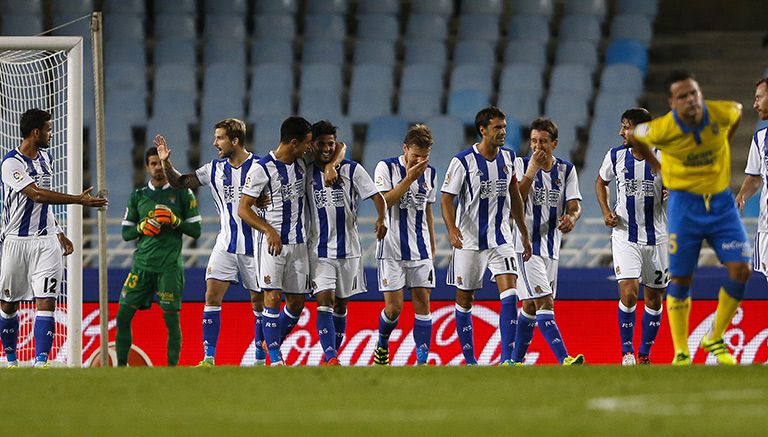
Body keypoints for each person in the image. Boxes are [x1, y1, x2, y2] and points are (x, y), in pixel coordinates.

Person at [629, 71, 751, 365]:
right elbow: (635, 136)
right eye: (682, 96)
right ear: (672, 103)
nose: (691, 100)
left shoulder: (720, 112)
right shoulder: (662, 128)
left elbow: (738, 112)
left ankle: (714, 337)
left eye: (694, 93)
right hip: (684, 204)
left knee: (741, 269)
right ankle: (681, 351)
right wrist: (658, 166)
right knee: (681, 277)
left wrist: (722, 145)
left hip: (720, 203)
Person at [0, 108, 107, 367]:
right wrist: (78, 201)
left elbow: (43, 204)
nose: (51, 133)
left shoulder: (46, 158)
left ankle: (41, 363)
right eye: (48, 129)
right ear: (35, 132)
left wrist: (58, 232)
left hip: (47, 241)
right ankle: (12, 361)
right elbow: (36, 195)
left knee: (46, 300)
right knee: (7, 305)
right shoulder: (10, 163)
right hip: (16, 241)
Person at [156, 118, 266, 366]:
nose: (214, 143)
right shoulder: (213, 169)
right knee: (211, 296)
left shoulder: (261, 166)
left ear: (234, 141)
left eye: (219, 138)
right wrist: (166, 162)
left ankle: (260, 358)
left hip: (255, 247)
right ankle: (209, 357)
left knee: (258, 302)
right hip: (226, 243)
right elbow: (180, 182)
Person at [238, 116, 344, 366]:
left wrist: (331, 166)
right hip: (273, 245)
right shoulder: (261, 169)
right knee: (272, 298)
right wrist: (268, 230)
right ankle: (274, 359)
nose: (311, 148)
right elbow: (243, 209)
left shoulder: (301, 162)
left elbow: (341, 147)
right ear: (294, 142)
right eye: (307, 143)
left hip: (299, 245)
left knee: (296, 304)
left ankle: (267, 341)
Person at [441, 106, 532, 366]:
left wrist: (523, 234)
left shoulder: (510, 158)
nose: (503, 132)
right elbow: (447, 198)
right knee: (465, 299)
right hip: (469, 241)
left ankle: (507, 360)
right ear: (482, 130)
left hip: (501, 239)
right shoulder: (462, 161)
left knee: (511, 295)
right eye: (497, 128)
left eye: (504, 127)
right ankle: (470, 360)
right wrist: (451, 229)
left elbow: (514, 196)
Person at [305, 121, 387, 365]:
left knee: (341, 305)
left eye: (331, 144)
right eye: (322, 144)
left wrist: (382, 218)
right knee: (324, 300)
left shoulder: (353, 170)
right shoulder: (305, 170)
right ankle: (330, 357)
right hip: (319, 250)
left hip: (349, 249)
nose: (327, 148)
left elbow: (377, 197)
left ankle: (333, 355)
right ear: (312, 145)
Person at [510, 118, 585, 366]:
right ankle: (565, 358)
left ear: (554, 143)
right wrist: (531, 170)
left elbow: (574, 204)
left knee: (531, 306)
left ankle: (514, 361)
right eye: (533, 141)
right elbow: (515, 201)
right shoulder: (520, 165)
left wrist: (572, 218)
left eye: (543, 141)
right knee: (545, 301)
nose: (537, 146)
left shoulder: (566, 170)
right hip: (526, 247)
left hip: (552, 248)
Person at [117, 147, 201, 366]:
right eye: (153, 164)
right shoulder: (138, 195)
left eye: (160, 164)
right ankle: (119, 368)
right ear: (147, 167)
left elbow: (196, 231)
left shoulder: (183, 192)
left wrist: (175, 221)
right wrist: (142, 227)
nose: (157, 168)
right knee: (123, 315)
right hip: (142, 266)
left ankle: (171, 371)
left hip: (169, 267)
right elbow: (126, 233)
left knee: (171, 320)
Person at [595, 108, 667, 365]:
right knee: (628, 292)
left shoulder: (663, 156)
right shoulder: (615, 156)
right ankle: (627, 352)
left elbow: (677, 188)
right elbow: (601, 182)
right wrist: (605, 211)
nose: (621, 132)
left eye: (626, 126)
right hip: (625, 234)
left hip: (657, 237)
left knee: (654, 299)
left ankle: (645, 354)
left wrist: (671, 194)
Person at [372, 124, 437, 366]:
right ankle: (382, 343)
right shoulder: (385, 167)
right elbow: (383, 201)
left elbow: (427, 208)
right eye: (415, 156)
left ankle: (422, 362)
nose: (420, 161)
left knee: (423, 303)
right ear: (405, 149)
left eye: (424, 156)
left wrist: (431, 242)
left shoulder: (430, 173)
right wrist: (409, 179)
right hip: (391, 249)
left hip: (420, 249)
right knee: (394, 309)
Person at [735, 78, 768, 286]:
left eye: (759, 98)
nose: (755, 104)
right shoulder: (760, 138)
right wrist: (742, 197)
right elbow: (755, 177)